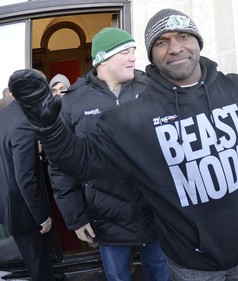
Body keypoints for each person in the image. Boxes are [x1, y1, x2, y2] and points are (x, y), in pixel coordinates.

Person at [9, 8, 238, 281]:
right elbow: (81, 161)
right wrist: (50, 128)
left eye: (184, 36)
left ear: (198, 42)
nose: (175, 46)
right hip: (190, 267)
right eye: (162, 42)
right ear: (152, 56)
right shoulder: (134, 117)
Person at [48, 27, 170, 281]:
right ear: (102, 59)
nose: (133, 57)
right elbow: (60, 165)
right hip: (106, 218)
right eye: (125, 52)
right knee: (117, 276)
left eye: (134, 51)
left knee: (161, 272)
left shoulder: (151, 87)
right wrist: (76, 217)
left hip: (155, 212)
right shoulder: (72, 101)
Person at [0, 72, 55, 281]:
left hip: (9, 206)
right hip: (24, 211)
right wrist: (42, 216)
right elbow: (25, 176)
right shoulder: (23, 121)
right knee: (39, 265)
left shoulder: (5, 115)